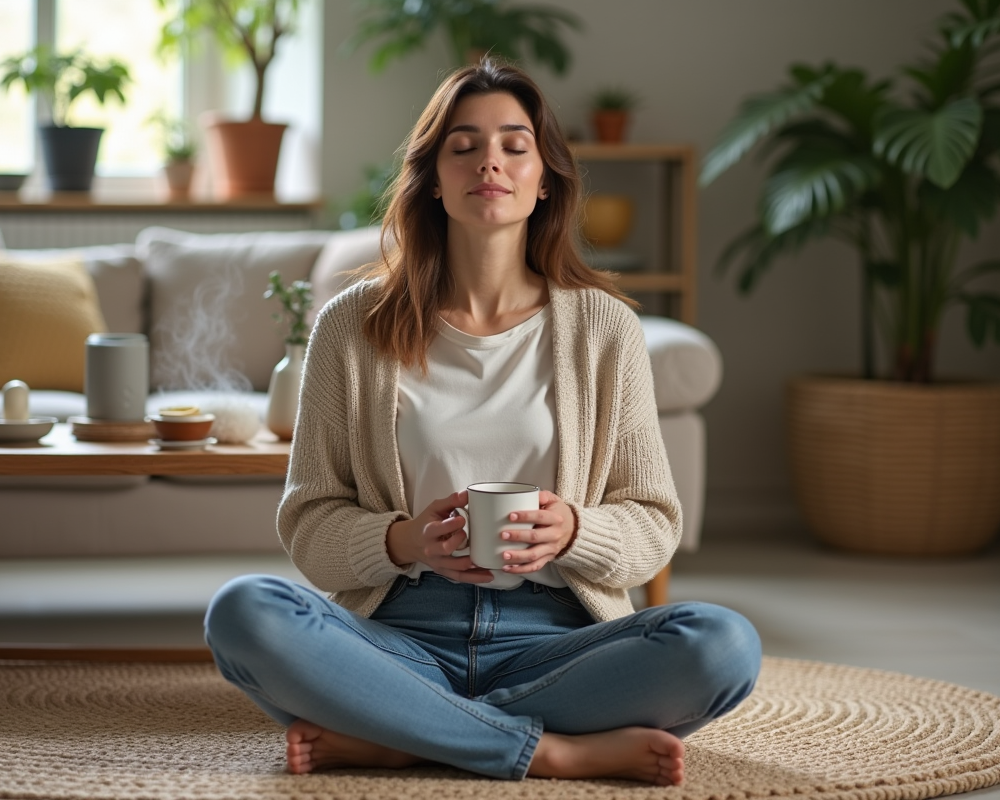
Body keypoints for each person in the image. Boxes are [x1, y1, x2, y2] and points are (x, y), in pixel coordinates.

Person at [205, 59, 761, 787]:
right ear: (433, 177)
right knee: (244, 612)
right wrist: (405, 540)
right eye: (463, 145)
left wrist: (575, 531)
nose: (489, 161)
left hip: (558, 641)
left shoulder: (606, 329)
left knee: (722, 644)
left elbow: (653, 523)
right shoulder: (351, 327)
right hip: (397, 635)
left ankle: (402, 732)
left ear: (544, 179)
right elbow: (308, 527)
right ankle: (546, 750)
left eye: (514, 144)